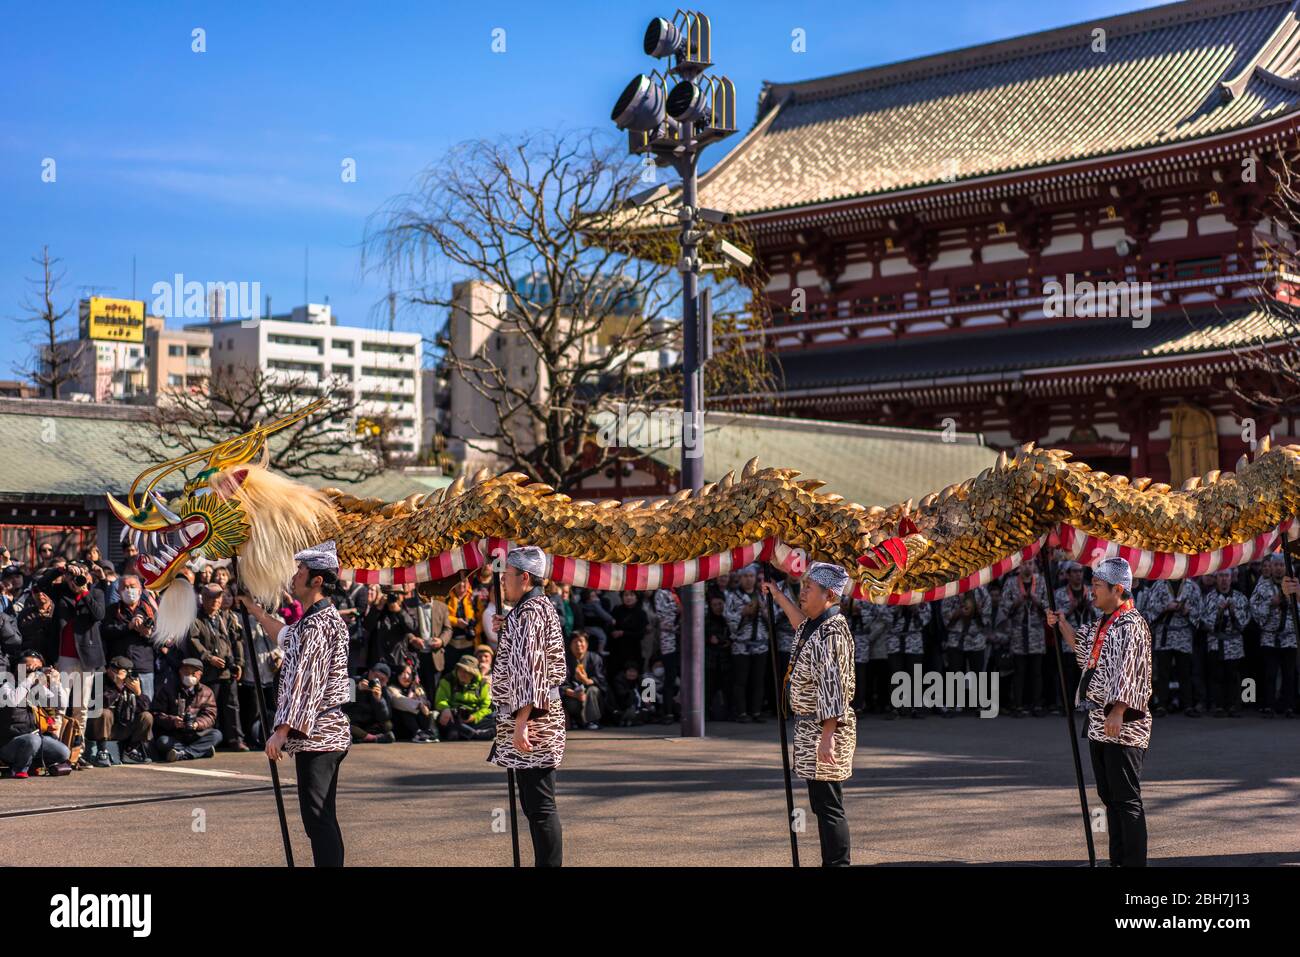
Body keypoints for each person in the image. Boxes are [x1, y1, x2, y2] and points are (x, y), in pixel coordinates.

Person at [237, 539, 352, 867]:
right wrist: (255, 610)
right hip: (322, 732)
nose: (295, 574)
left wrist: (282, 731)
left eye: (301, 570)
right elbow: (284, 635)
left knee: (317, 818)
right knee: (320, 817)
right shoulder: (315, 620)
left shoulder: (318, 624)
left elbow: (307, 684)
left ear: (317, 579)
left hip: (320, 733)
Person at [1046, 556, 1152, 867]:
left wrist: (1118, 710)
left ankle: (1133, 863)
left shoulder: (1132, 624)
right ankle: (1117, 859)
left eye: (1097, 586)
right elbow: (1082, 649)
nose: (1092, 591)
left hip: (1123, 723)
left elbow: (1131, 671)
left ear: (1117, 589)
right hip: (1098, 721)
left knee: (1126, 799)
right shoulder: (1103, 622)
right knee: (1109, 798)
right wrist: (1060, 623)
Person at [764, 562, 856, 866]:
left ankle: (837, 864)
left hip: (824, 729)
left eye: (808, 588)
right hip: (812, 728)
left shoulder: (833, 633)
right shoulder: (817, 624)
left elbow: (834, 688)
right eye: (803, 586)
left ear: (829, 594)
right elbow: (799, 624)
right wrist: (778, 595)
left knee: (829, 806)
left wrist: (827, 737)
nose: (802, 592)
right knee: (821, 804)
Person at [489, 546, 566, 867]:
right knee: (533, 805)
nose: (502, 582)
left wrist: (523, 722)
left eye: (507, 576)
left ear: (524, 577)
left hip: (535, 716)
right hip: (528, 714)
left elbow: (533, 670)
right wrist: (507, 627)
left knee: (540, 806)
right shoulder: (526, 611)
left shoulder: (531, 612)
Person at [185, 583, 247, 751]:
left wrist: (239, 663)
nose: (215, 601)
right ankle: (210, 741)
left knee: (232, 705)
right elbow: (193, 640)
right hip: (208, 670)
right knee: (208, 706)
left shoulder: (228, 617)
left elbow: (237, 641)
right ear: (203, 598)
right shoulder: (195, 618)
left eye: (218, 597)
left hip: (227, 669)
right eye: (211, 597)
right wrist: (208, 657)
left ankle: (236, 739)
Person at [0, 650, 73, 777]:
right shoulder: (7, 686)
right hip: (8, 745)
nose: (34, 672)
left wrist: (56, 683)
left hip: (32, 740)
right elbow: (13, 701)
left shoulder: (36, 688)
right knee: (33, 740)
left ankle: (33, 765)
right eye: (28, 668)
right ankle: (18, 769)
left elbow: (60, 704)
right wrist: (29, 680)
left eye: (38, 669)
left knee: (63, 752)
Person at [1139, 574, 1202, 716]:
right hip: (1164, 633)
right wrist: (1165, 608)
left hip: (1183, 634)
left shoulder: (1192, 586)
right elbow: (1149, 608)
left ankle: (1187, 705)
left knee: (1185, 671)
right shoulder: (1159, 585)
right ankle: (1161, 705)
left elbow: (1199, 609)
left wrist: (1188, 611)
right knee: (1163, 672)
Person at [1250, 553, 1298, 717]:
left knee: (1289, 675)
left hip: (1290, 638)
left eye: (1282, 565)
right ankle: (1269, 705)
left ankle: (1288, 706)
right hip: (1269, 637)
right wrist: (1270, 604)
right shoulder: (1262, 587)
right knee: (1270, 673)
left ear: (1286, 568)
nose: (1279, 568)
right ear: (1271, 567)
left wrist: (1292, 605)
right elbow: (1254, 609)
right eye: (1276, 565)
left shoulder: (1295, 587)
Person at [87, 655, 154, 765]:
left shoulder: (132, 683)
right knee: (104, 713)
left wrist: (138, 693)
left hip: (123, 726)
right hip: (99, 728)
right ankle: (102, 751)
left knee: (147, 716)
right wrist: (117, 686)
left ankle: (130, 750)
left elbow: (146, 707)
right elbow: (101, 703)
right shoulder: (99, 680)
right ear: (110, 670)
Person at [151, 658, 222, 761]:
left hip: (196, 733)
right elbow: (157, 713)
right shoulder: (167, 689)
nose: (189, 676)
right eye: (186, 672)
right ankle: (201, 751)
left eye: (193, 673)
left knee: (217, 735)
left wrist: (197, 724)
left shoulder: (207, 691)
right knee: (162, 741)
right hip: (175, 734)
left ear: (200, 675)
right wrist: (173, 721)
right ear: (180, 672)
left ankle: (183, 753)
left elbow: (210, 715)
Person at [1000, 563, 1048, 717]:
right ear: (1020, 566)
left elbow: (1049, 606)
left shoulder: (1041, 582)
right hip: (1018, 633)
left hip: (1036, 633)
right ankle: (1018, 705)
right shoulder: (1011, 582)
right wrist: (1016, 602)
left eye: (1032, 564)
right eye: (1026, 564)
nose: (1029, 567)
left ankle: (1037, 705)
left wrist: (1037, 601)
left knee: (1037, 672)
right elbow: (1003, 606)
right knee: (1019, 671)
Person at [1198, 569, 1248, 716]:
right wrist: (1218, 613)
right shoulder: (1209, 598)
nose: (1224, 579)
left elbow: (1245, 621)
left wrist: (1233, 613)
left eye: (1226, 576)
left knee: (1233, 675)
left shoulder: (1239, 597)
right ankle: (1218, 705)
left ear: (1231, 578)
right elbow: (1203, 619)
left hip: (1234, 643)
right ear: (1216, 578)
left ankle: (1234, 705)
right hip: (1215, 641)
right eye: (1221, 576)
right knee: (1216, 675)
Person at [724, 565, 770, 722]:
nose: (748, 579)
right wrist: (742, 614)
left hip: (760, 643)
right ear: (740, 578)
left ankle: (756, 711)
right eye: (745, 576)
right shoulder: (732, 596)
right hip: (741, 644)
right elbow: (728, 616)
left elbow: (774, 616)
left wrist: (764, 611)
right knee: (740, 680)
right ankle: (742, 712)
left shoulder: (762, 595)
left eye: (751, 576)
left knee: (758, 680)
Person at [102, 574, 157, 700]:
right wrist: (128, 626)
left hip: (143, 667)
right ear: (118, 591)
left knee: (145, 706)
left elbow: (161, 638)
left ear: (140, 589)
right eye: (125, 587)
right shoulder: (112, 610)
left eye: (132, 586)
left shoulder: (150, 610)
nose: (129, 590)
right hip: (119, 668)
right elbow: (105, 632)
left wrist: (147, 632)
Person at [434, 653, 493, 741]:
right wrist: (445, 709)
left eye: (467, 671)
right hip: (452, 716)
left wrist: (474, 717)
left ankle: (468, 732)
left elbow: (487, 707)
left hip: (473, 718)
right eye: (460, 670)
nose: (462, 673)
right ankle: (475, 734)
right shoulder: (447, 680)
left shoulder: (482, 684)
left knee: (495, 721)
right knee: (451, 732)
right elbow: (440, 700)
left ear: (473, 674)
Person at [562, 631, 606, 730]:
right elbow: (560, 685)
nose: (578, 644)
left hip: (592, 698)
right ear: (570, 645)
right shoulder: (564, 661)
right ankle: (575, 721)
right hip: (573, 696)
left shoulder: (595, 658)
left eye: (581, 641)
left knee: (593, 690)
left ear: (587, 644)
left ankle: (592, 721)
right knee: (570, 702)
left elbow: (601, 680)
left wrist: (586, 680)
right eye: (575, 642)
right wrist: (575, 694)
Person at [388, 661, 439, 743]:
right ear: (397, 675)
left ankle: (426, 731)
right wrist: (419, 704)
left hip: (418, 723)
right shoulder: (391, 688)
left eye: (409, 673)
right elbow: (398, 700)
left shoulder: (416, 687)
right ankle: (418, 733)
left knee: (424, 708)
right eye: (402, 673)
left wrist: (419, 698)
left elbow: (426, 703)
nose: (406, 676)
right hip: (400, 727)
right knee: (407, 709)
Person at [652, 588, 681, 723]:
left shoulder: (685, 591)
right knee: (670, 677)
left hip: (687, 640)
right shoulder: (661, 593)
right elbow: (663, 617)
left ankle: (683, 709)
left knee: (686, 677)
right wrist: (679, 614)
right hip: (669, 641)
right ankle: (667, 711)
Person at [347, 664, 396, 743]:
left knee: (388, 725)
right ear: (370, 672)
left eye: (382, 679)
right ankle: (372, 738)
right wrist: (357, 689)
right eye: (376, 676)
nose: (378, 681)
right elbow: (343, 707)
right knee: (344, 723)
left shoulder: (385, 691)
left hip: (369, 724)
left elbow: (385, 717)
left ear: (386, 681)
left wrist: (379, 700)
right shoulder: (353, 681)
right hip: (353, 721)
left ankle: (362, 737)